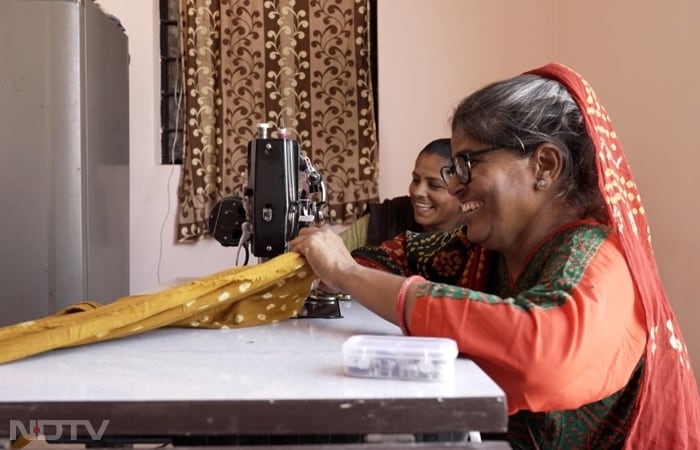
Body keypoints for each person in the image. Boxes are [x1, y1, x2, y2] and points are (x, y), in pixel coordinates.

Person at [290, 63, 700, 448]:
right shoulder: (482, 248)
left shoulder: (601, 263)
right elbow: (401, 255)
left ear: (545, 164)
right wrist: (332, 271)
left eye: (466, 164)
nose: (455, 188)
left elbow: (541, 357)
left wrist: (346, 272)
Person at [339, 138, 464, 251]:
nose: (417, 192)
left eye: (434, 185)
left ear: (463, 193)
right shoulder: (386, 218)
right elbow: (327, 255)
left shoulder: (475, 237)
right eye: (415, 180)